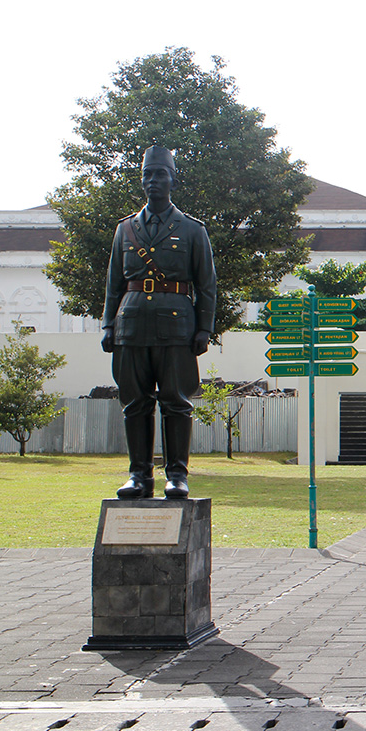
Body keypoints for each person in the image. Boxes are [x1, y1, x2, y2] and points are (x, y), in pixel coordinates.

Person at [102, 146, 217, 500]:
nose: (154, 181)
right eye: (148, 175)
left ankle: (177, 476)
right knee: (134, 402)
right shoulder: (125, 230)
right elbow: (113, 283)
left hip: (176, 326)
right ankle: (138, 476)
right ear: (142, 181)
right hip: (131, 324)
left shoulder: (192, 230)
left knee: (175, 401)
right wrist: (109, 324)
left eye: (160, 174)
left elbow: (206, 284)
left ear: (173, 180)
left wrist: (204, 328)